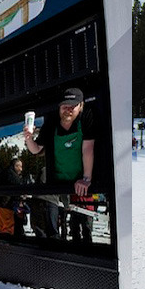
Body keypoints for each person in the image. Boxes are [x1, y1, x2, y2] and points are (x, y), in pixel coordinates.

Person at [23, 88, 95, 243]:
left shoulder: (86, 118)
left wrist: (86, 178)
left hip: (79, 182)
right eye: (64, 106)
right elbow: (37, 149)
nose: (68, 110)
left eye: (72, 106)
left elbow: (88, 149)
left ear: (81, 106)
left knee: (83, 225)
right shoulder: (51, 124)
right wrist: (29, 139)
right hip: (58, 183)